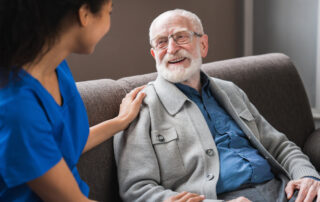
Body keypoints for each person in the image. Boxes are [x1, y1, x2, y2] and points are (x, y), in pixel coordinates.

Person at [114, 9, 320, 202]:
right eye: (161, 42)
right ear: (154, 54)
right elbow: (137, 190)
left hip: (283, 191)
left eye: (181, 37)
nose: (171, 49)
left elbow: (279, 146)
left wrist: (308, 176)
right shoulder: (141, 107)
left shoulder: (230, 90)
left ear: (203, 45)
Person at [0, 0, 146, 201]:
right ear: (84, 14)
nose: (108, 24)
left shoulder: (57, 68)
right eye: (108, 12)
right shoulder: (16, 107)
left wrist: (120, 121)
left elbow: (62, 145)